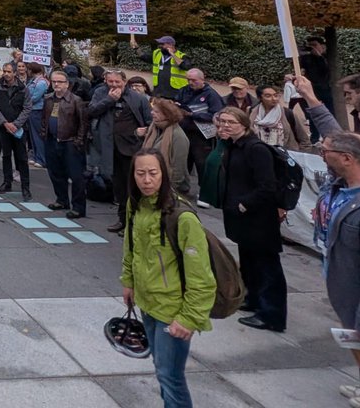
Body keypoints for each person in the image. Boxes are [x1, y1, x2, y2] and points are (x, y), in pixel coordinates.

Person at [121, 149, 216, 408]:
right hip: (147, 303)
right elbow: (131, 246)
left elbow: (202, 277)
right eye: (141, 174)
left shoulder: (182, 218)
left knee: (170, 376)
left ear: (164, 174)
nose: (147, 180)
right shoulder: (135, 204)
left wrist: (189, 318)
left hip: (172, 310)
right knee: (161, 369)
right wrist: (128, 280)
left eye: (153, 173)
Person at [217, 106, 286, 332]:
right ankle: (253, 300)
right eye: (223, 122)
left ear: (244, 125)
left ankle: (272, 315)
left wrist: (244, 204)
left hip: (258, 219)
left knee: (267, 266)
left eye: (231, 122)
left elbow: (268, 186)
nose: (225, 126)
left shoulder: (256, 149)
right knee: (248, 262)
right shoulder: (233, 146)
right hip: (243, 219)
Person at [314, 131, 360, 401]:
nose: (322, 155)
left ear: (346, 158)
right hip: (340, 279)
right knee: (352, 334)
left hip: (355, 284)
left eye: (326, 152)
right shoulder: (337, 185)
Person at [89, 69, 149, 233]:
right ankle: (122, 219)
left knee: (132, 187)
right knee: (118, 187)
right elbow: (91, 111)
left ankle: (133, 223)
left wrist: (142, 133)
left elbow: (148, 121)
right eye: (110, 82)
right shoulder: (101, 93)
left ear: (124, 82)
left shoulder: (138, 98)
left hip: (131, 148)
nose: (114, 85)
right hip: (109, 147)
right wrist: (109, 100)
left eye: (117, 82)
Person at [40, 69, 89, 218]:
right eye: (54, 81)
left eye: (60, 82)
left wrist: (79, 141)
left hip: (70, 142)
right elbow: (44, 118)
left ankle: (78, 207)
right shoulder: (48, 99)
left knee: (76, 176)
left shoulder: (75, 101)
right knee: (55, 173)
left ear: (67, 84)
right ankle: (61, 200)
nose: (56, 84)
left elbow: (83, 123)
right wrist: (44, 133)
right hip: (52, 140)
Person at [174, 68, 224, 207]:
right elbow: (177, 103)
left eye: (194, 80)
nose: (190, 83)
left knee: (202, 164)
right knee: (183, 162)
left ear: (203, 79)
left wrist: (193, 115)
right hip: (184, 132)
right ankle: (180, 190)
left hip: (201, 135)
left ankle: (205, 195)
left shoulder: (211, 95)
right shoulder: (184, 90)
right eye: (188, 79)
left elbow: (216, 114)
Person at [0, 62, 31, 200]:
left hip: (19, 128)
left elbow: (27, 108)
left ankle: (25, 187)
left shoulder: (23, 88)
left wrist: (16, 124)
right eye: (5, 71)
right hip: (4, 127)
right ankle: (6, 182)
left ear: (15, 73)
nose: (6, 74)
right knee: (6, 155)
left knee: (22, 158)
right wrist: (5, 123)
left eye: (9, 71)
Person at [142, 98, 192, 197]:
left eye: (156, 112)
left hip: (170, 188)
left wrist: (168, 189)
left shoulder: (178, 136)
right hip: (151, 181)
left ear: (167, 115)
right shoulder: (154, 128)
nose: (152, 113)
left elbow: (179, 167)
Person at [251, 83, 309, 149]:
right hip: (260, 153)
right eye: (268, 96)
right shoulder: (252, 113)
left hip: (285, 155)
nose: (274, 99)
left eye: (275, 95)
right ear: (259, 98)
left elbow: (304, 140)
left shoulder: (288, 113)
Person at [149, 35, 192, 99]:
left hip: (176, 92)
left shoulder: (181, 56)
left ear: (171, 45)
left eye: (162, 44)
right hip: (159, 91)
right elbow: (144, 57)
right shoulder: (157, 53)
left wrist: (172, 54)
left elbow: (185, 66)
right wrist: (136, 48)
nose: (160, 46)